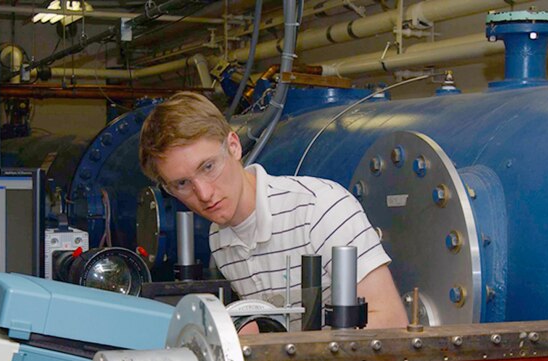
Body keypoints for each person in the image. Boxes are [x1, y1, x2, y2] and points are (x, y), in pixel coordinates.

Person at [138, 91, 409, 333]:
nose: (204, 194)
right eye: (182, 184)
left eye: (208, 167)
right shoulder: (220, 239)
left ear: (233, 146)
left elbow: (391, 320)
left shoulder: (319, 208)